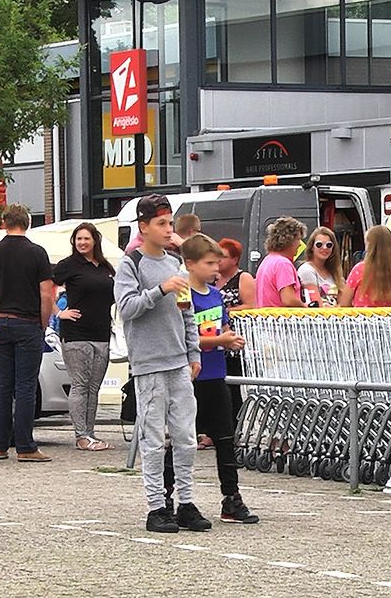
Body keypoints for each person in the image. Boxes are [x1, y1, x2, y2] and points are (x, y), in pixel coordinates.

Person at [113, 194, 211, 534]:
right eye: (161, 224)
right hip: (149, 363)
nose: (169, 230)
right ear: (144, 227)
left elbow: (187, 313)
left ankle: (185, 501)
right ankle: (156, 506)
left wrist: (193, 352)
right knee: (153, 439)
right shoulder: (131, 264)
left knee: (185, 437)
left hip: (178, 363)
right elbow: (126, 309)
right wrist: (159, 290)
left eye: (170, 223)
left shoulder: (174, 263)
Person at [174, 233, 259, 524]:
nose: (215, 270)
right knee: (182, 438)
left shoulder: (214, 294)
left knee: (225, 437)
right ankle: (172, 497)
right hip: (191, 375)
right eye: (210, 263)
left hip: (216, 373)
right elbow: (185, 337)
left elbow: (221, 323)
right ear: (190, 264)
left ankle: (231, 498)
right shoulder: (183, 294)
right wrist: (219, 339)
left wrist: (227, 338)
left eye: (217, 263)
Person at [0, 204, 55, 462]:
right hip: (27, 323)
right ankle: (26, 446)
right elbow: (45, 293)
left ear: (4, 222)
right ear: (27, 223)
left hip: (2, 323)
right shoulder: (37, 253)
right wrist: (43, 323)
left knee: (3, 384)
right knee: (25, 386)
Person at [52, 222, 116, 452]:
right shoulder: (68, 265)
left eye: (86, 238)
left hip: (101, 333)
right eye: (78, 239)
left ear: (95, 240)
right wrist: (58, 312)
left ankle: (90, 433)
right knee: (80, 384)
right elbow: (44, 286)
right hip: (76, 334)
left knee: (93, 387)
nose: (82, 243)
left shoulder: (105, 266)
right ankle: (81, 435)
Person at [213, 237, 255, 427]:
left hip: (234, 337)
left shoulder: (243, 278)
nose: (218, 261)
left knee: (233, 385)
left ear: (234, 259)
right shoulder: (213, 278)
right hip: (213, 337)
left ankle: (233, 426)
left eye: (223, 257)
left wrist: (226, 311)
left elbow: (250, 306)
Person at [340, 225, 391, 308]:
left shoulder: (360, 270)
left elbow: (344, 303)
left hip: (363, 318)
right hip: (390, 319)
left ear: (370, 246)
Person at [254, 216, 306, 307]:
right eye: (298, 239)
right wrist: (306, 308)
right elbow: (288, 300)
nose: (300, 244)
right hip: (282, 318)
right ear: (289, 240)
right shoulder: (283, 264)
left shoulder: (267, 260)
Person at [297, 227, 345, 307]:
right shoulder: (307, 270)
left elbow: (344, 302)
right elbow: (315, 303)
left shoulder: (334, 272)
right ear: (312, 247)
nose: (324, 248)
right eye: (319, 245)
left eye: (329, 245)